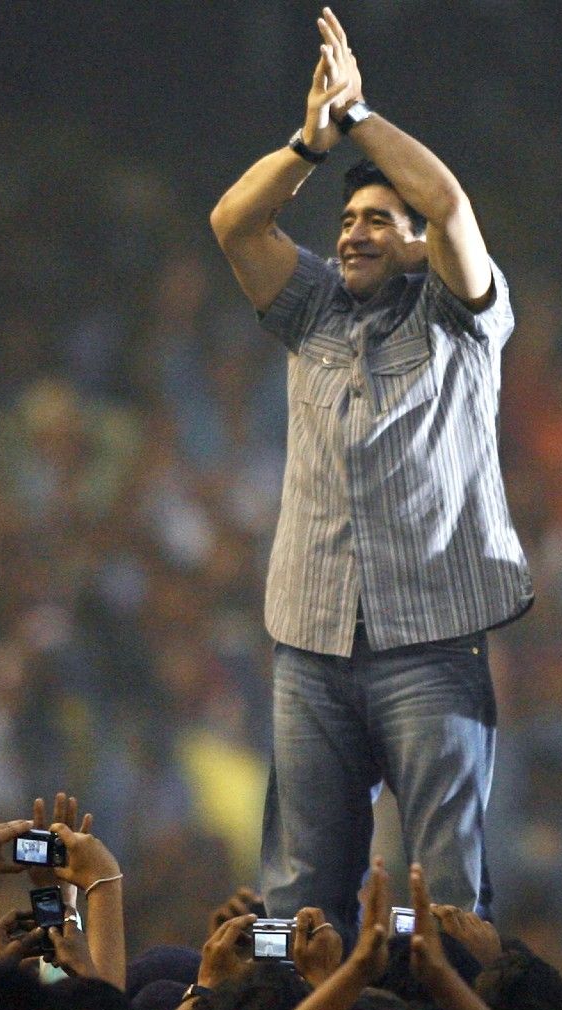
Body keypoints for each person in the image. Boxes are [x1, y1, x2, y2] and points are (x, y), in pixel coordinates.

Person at [208, 7, 530, 926]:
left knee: (444, 896)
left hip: (430, 645)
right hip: (310, 646)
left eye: (379, 221)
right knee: (300, 895)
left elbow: (451, 205)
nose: (352, 233)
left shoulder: (461, 317)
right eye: (346, 220)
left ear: (418, 242)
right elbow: (235, 222)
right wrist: (309, 146)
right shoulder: (313, 310)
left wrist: (359, 117)